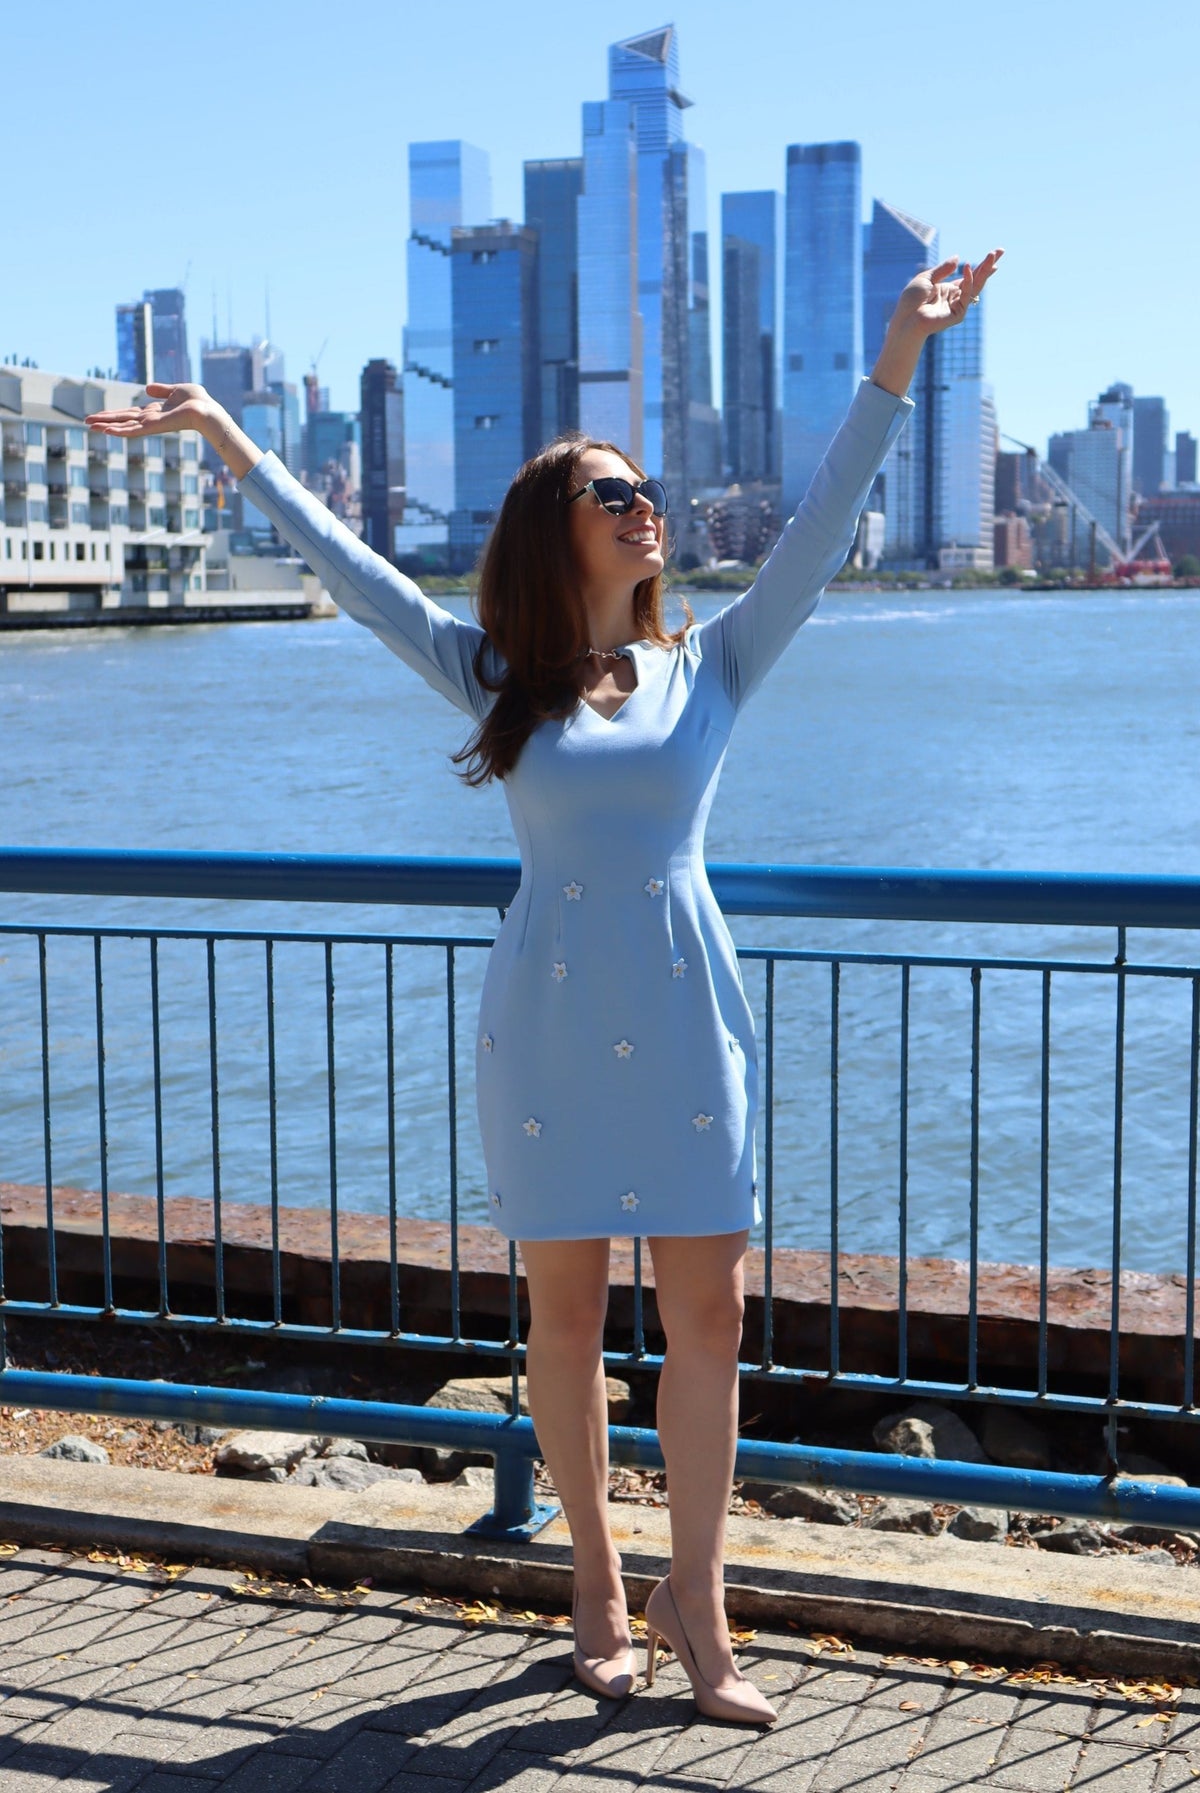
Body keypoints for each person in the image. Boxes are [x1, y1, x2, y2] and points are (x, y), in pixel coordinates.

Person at [85, 246, 1002, 1726]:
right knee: (565, 1319)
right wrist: (228, 438)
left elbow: (825, 527)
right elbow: (356, 576)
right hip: (553, 1029)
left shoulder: (713, 663)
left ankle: (699, 1598)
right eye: (615, 495)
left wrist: (900, 345)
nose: (649, 508)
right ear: (555, 532)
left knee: (710, 1318)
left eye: (649, 493)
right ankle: (594, 1572)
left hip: (693, 1019)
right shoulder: (497, 674)